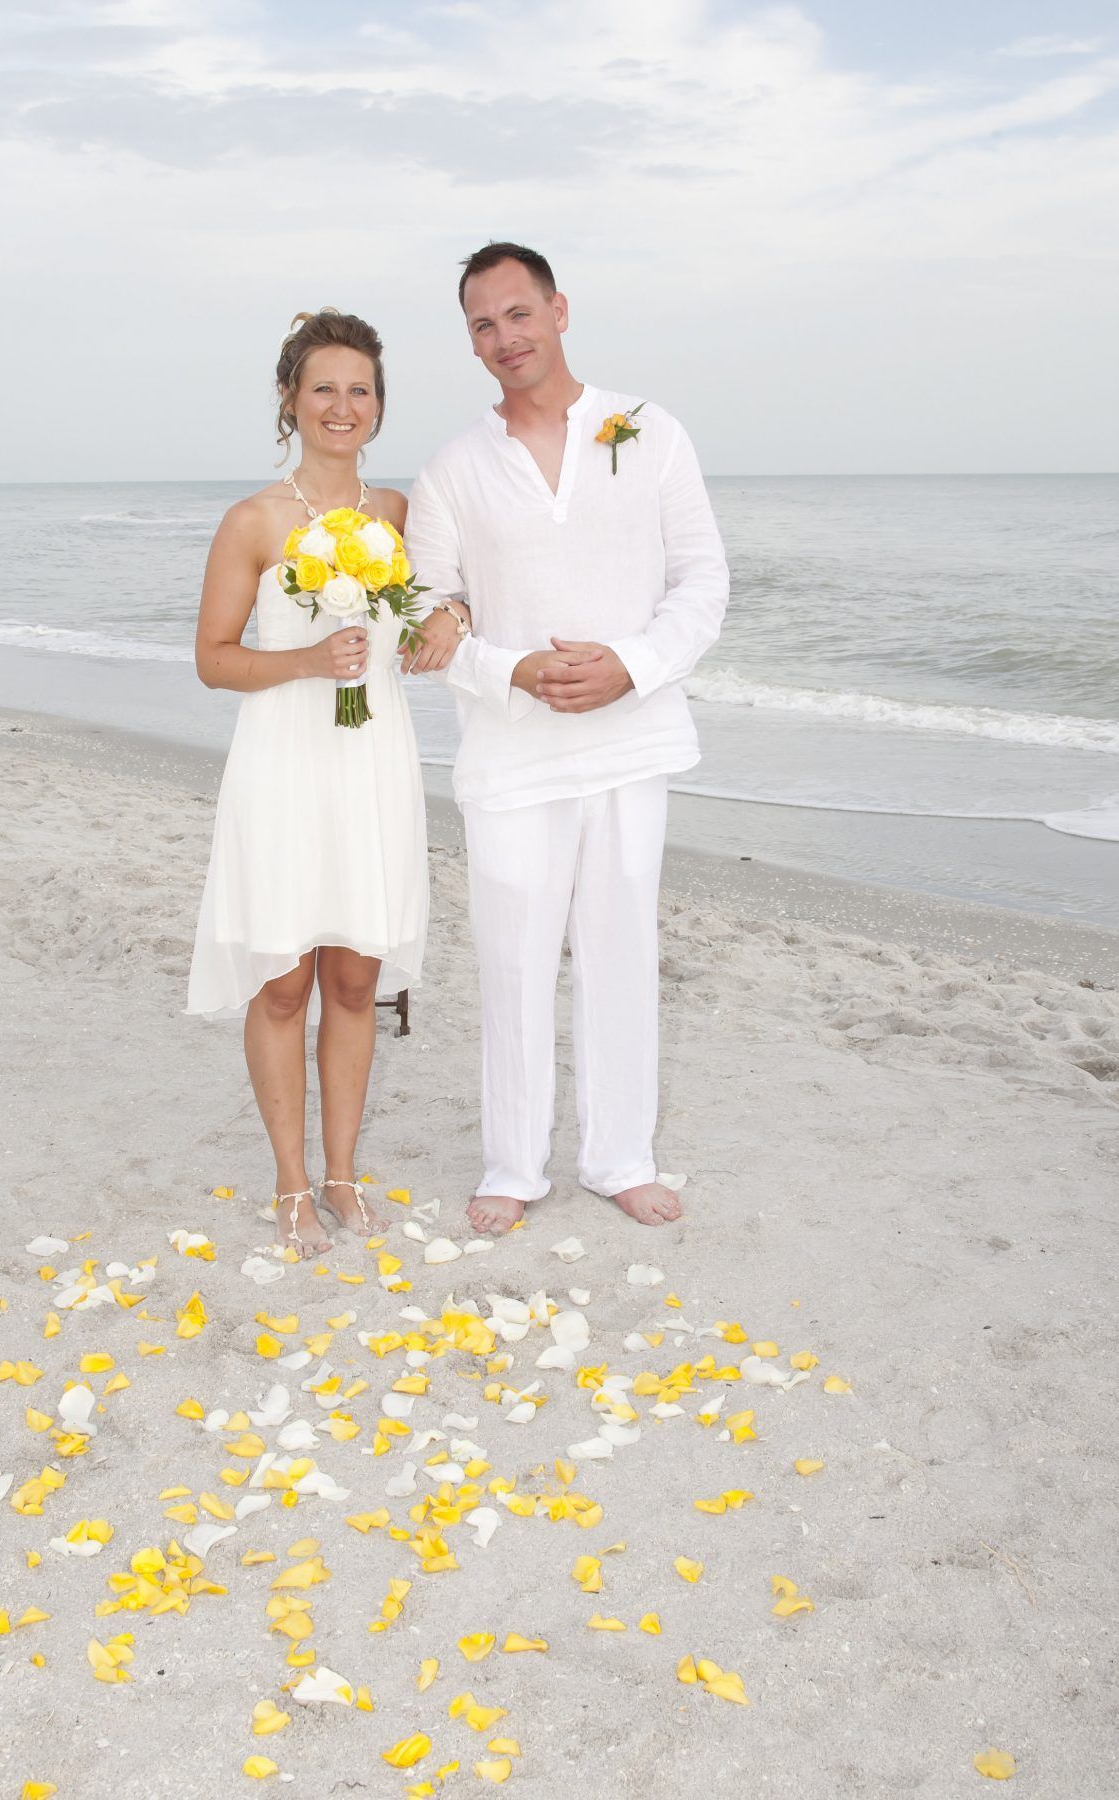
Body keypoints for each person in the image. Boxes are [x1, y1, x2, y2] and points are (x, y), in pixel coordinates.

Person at [403, 242, 729, 1236]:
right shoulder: (452, 468)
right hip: (508, 755)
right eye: (482, 325)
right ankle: (511, 1165)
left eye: (516, 313)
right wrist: (513, 671)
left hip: (631, 744)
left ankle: (618, 1157)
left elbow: (701, 581)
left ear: (557, 309)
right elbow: (424, 616)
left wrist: (630, 663)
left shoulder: (648, 432)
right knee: (511, 957)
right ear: (470, 341)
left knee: (620, 951)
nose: (503, 337)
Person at [187, 309, 428, 1256]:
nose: (342, 405)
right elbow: (212, 660)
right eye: (323, 387)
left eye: (359, 389)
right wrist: (305, 661)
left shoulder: (399, 514)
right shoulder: (253, 520)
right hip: (285, 759)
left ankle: (342, 1175)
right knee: (284, 983)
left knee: (358, 977)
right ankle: (291, 1183)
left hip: (372, 762)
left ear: (379, 406)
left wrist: (435, 628)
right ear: (290, 400)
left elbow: (421, 625)